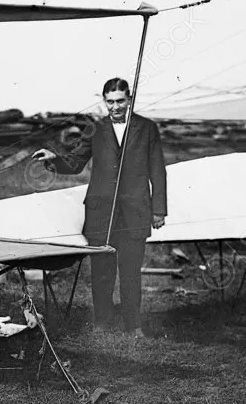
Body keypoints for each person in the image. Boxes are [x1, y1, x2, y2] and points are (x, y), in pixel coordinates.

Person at [31, 77, 167, 335]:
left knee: (130, 272)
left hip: (134, 212)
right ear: (104, 101)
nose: (115, 107)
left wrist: (158, 210)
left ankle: (133, 325)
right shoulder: (95, 129)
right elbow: (75, 163)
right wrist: (53, 159)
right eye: (110, 102)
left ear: (130, 99)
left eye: (120, 101)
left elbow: (158, 170)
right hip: (101, 212)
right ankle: (102, 323)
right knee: (102, 272)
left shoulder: (147, 128)